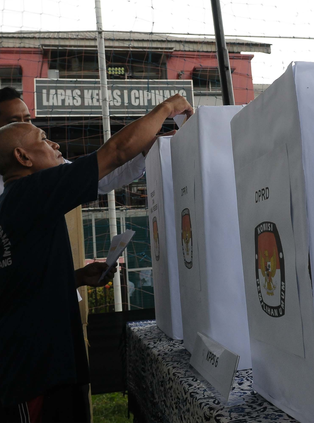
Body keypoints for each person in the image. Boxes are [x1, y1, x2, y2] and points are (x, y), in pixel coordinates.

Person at [0, 94, 193, 422]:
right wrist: (165, 109)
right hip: (37, 372)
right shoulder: (33, 192)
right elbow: (114, 153)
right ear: (23, 156)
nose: (56, 145)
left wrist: (77, 277)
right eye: (43, 139)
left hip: (46, 364)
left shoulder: (16, 201)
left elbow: (22, 278)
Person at [0, 87, 148, 196]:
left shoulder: (47, 165)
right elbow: (115, 153)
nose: (25, 127)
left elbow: (100, 178)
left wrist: (143, 152)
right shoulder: (34, 183)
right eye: (14, 122)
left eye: (27, 120)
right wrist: (166, 108)